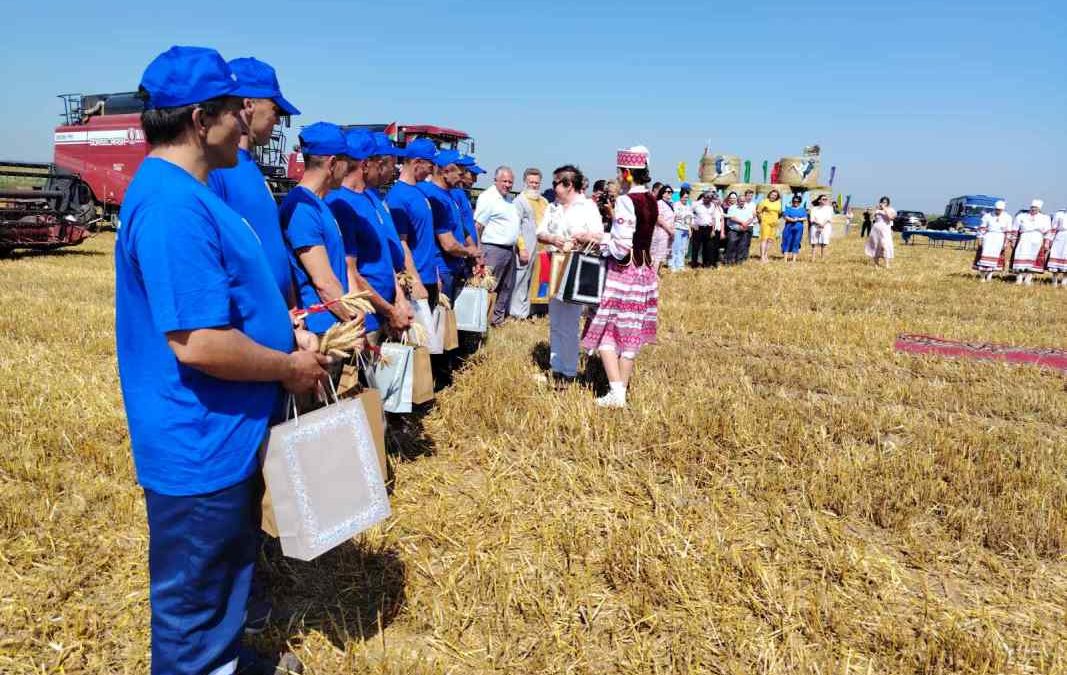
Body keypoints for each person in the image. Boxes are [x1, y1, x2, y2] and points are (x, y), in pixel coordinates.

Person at [115, 46, 323, 674]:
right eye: (237, 111)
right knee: (193, 601)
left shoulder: (193, 193)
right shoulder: (173, 205)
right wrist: (288, 367)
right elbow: (199, 343)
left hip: (225, 433)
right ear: (201, 119)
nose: (247, 122)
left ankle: (223, 663)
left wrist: (279, 325)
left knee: (223, 580)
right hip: (197, 442)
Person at [207, 57, 300, 308]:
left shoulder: (250, 167)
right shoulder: (217, 169)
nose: (277, 121)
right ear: (250, 105)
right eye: (275, 111)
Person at [582, 146, 659, 408]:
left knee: (605, 330)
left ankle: (616, 392)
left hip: (624, 272)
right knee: (630, 332)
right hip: (644, 272)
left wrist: (600, 242)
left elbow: (621, 246)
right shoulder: (650, 199)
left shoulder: (627, 201)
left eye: (619, 172)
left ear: (627, 173)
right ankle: (621, 391)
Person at [325, 130, 412, 345]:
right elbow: (351, 272)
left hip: (385, 310)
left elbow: (385, 256)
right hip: (368, 319)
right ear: (365, 166)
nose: (385, 169)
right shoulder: (341, 204)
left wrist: (399, 298)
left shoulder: (370, 200)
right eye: (379, 163)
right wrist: (390, 311)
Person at [281, 122, 359, 336]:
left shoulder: (317, 204)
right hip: (321, 329)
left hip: (333, 324)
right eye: (347, 162)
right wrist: (353, 320)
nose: (349, 169)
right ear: (333, 163)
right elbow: (324, 282)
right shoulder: (302, 209)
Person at [535, 165, 603, 385]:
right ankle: (556, 367)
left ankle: (569, 371)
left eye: (556, 183)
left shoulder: (588, 207)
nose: (553, 187)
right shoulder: (552, 207)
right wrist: (553, 239)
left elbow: (599, 235)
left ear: (568, 184)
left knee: (571, 321)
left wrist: (581, 237)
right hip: (553, 263)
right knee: (555, 319)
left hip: (576, 264)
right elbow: (540, 232)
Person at [387, 139, 443, 307]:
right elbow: (401, 243)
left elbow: (426, 238)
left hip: (429, 276)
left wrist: (436, 274)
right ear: (417, 162)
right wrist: (416, 281)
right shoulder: (398, 196)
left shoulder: (419, 192)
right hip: (416, 280)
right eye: (430, 164)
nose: (433, 170)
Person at [419, 149, 479, 302]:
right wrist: (469, 252)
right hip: (441, 268)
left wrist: (473, 249)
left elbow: (460, 226)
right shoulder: (433, 195)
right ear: (445, 172)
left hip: (453, 266)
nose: (463, 178)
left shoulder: (450, 195)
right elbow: (448, 244)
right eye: (460, 174)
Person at [474, 166, 521, 326]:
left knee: (506, 287)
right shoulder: (488, 198)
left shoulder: (508, 199)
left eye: (510, 182)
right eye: (505, 181)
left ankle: (497, 320)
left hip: (509, 249)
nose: (508, 185)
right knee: (488, 287)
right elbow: (478, 226)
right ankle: (481, 321)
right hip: (492, 248)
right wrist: (478, 252)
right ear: (496, 180)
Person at [512, 168, 549, 318]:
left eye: (536, 183)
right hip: (526, 246)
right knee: (521, 279)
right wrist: (521, 247)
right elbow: (515, 227)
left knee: (537, 279)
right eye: (531, 182)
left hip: (542, 249)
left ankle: (531, 311)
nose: (534, 185)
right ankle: (517, 313)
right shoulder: (519, 201)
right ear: (525, 182)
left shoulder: (544, 201)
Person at [1010, 199, 1052, 285]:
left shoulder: (1045, 218)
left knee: (1033, 260)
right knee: (1020, 257)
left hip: (1037, 239)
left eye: (1035, 208)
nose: (1033, 209)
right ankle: (1019, 278)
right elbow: (1014, 229)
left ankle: (1028, 279)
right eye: (1032, 207)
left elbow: (1048, 232)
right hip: (1024, 238)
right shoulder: (1021, 216)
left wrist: (1047, 243)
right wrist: (1013, 240)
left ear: (1039, 209)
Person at [973, 200, 1012, 282]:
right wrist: (980, 239)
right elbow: (982, 228)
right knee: (984, 256)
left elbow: (1009, 231)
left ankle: (989, 276)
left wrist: (1006, 242)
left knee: (995, 257)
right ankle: (982, 276)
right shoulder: (987, 216)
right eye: (997, 209)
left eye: (1000, 210)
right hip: (988, 237)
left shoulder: (1008, 217)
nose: (998, 211)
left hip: (1000, 238)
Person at [725, 191, 756, 265]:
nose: (742, 202)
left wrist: (745, 224)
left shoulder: (748, 208)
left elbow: (751, 218)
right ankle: (729, 261)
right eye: (741, 201)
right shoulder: (732, 207)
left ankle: (739, 261)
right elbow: (732, 217)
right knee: (731, 245)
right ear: (738, 201)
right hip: (734, 230)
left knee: (742, 246)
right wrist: (742, 222)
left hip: (744, 230)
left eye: (743, 201)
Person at [865, 196, 896, 268]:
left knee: (885, 246)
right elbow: (873, 218)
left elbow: (891, 217)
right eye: (882, 202)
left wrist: (884, 209)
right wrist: (875, 210)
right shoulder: (878, 210)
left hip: (885, 231)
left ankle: (887, 265)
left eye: (885, 202)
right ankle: (876, 264)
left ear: (888, 203)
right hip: (876, 231)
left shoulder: (891, 210)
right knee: (875, 246)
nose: (883, 203)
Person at [668, 185, 693, 271]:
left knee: (683, 248)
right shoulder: (676, 205)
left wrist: (689, 229)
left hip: (685, 229)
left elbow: (690, 218)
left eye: (687, 197)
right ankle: (672, 265)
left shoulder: (688, 206)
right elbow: (672, 218)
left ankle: (680, 265)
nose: (686, 199)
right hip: (677, 228)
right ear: (680, 197)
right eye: (684, 197)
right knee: (675, 247)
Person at [757, 189, 783, 263]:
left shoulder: (778, 203)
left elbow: (779, 212)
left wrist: (777, 220)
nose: (773, 196)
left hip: (774, 224)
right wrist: (761, 220)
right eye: (772, 195)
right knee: (764, 239)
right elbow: (758, 211)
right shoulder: (764, 201)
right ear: (769, 194)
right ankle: (762, 257)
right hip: (766, 223)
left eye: (775, 195)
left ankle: (765, 255)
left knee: (770, 240)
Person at [652, 184, 675, 271]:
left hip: (668, 233)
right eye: (668, 192)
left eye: (671, 192)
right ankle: (654, 274)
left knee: (663, 255)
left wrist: (671, 230)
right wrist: (669, 229)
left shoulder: (670, 204)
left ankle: (658, 272)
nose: (670, 194)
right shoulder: (659, 203)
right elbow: (659, 218)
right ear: (662, 193)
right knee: (658, 255)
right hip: (661, 231)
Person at [781, 194, 806, 262]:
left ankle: (794, 259)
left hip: (799, 229)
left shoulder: (802, 209)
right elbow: (785, 216)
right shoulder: (788, 208)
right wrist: (791, 220)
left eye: (797, 201)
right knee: (786, 241)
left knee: (796, 242)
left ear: (800, 202)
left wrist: (798, 219)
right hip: (788, 228)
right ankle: (785, 259)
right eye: (794, 201)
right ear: (792, 201)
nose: (796, 203)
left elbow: (805, 218)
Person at [809, 194, 834, 261]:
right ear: (819, 200)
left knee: (824, 243)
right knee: (814, 243)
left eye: (826, 199)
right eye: (823, 199)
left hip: (825, 227)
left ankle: (822, 259)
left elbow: (829, 218)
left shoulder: (829, 209)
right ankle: (813, 259)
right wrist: (818, 224)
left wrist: (823, 224)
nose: (825, 200)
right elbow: (812, 219)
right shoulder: (814, 209)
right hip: (815, 226)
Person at [1047, 208, 1067, 286]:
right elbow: (1053, 228)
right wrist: (1049, 240)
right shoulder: (1059, 214)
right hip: (1060, 237)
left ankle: (1064, 281)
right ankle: (1054, 280)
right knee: (1055, 258)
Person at [741, 189, 758, 260]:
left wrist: (755, 220)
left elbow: (754, 214)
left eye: (751, 196)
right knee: (742, 241)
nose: (750, 197)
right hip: (744, 224)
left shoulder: (753, 204)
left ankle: (745, 256)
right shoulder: (743, 203)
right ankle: (740, 255)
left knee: (748, 242)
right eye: (748, 196)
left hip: (751, 225)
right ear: (745, 196)